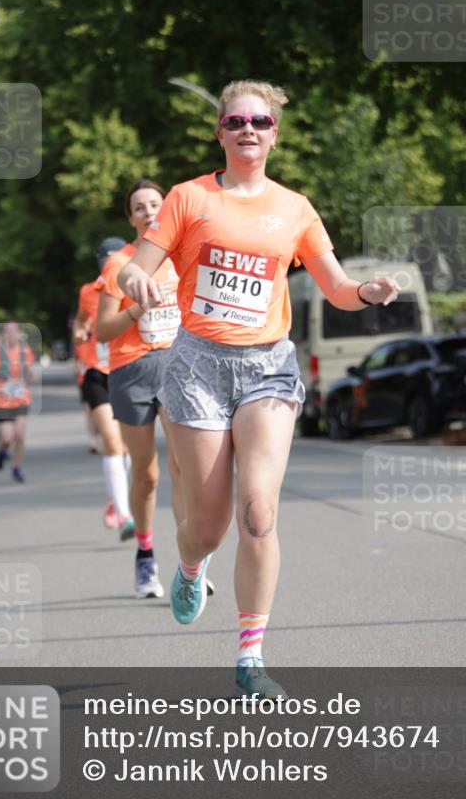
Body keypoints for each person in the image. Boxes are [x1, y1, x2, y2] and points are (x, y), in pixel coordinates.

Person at [118, 80, 400, 697]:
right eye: (237, 120)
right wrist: (137, 281)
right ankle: (190, 564)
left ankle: (251, 656)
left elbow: (337, 288)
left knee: (259, 512)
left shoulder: (295, 208)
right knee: (208, 525)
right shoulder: (189, 198)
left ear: (275, 133)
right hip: (197, 367)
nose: (250, 129)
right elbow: (139, 263)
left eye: (261, 122)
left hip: (268, 366)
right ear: (220, 131)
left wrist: (368, 292)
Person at [96, 180, 184, 599]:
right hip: (131, 371)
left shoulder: (182, 257)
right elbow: (103, 329)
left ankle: (191, 561)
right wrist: (137, 308)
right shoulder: (119, 264)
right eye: (140, 207)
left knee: (185, 467)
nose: (149, 212)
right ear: (130, 218)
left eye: (155, 204)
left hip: (176, 365)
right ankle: (146, 556)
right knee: (147, 474)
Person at [73, 237, 135, 539]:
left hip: (126, 370)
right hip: (97, 372)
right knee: (111, 441)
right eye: (106, 258)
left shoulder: (137, 283)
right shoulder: (88, 291)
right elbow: (82, 320)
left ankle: (116, 493)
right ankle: (125, 515)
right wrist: (80, 330)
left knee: (126, 446)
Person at [0, 322, 35, 483]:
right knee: (7, 438)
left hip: (20, 397)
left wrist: (29, 376)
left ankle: (16, 468)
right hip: (1, 400)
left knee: (19, 435)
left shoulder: (25, 350)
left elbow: (28, 371)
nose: (11, 335)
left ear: (19, 333)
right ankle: (0, 453)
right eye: (8, 332)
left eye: (14, 332)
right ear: (3, 334)